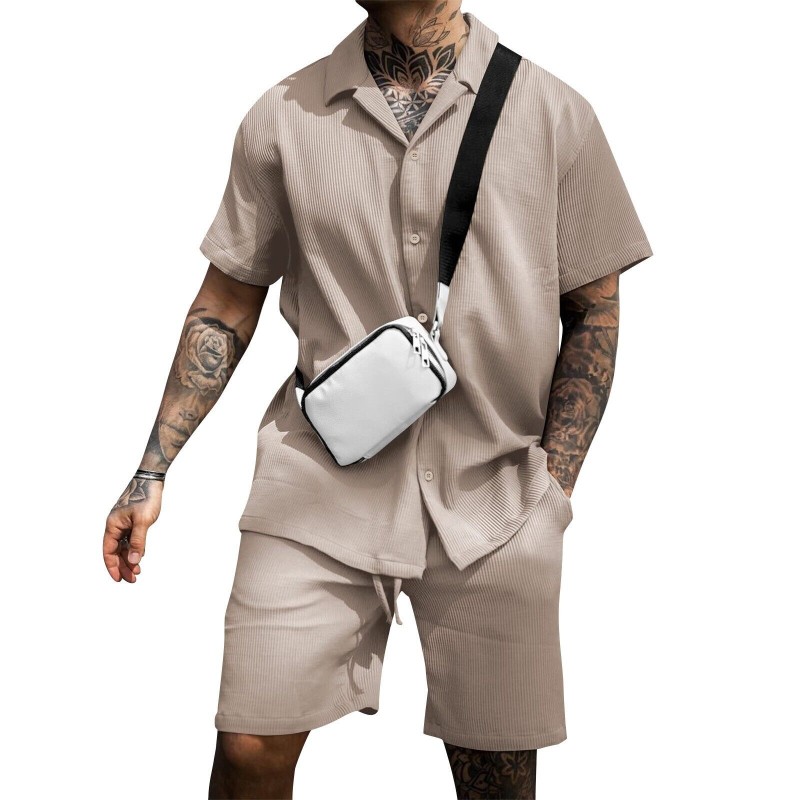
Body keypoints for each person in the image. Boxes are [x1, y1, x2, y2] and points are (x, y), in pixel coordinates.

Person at [103, 1, 653, 797]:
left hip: (496, 499)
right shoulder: (283, 116)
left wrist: (552, 491)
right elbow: (225, 305)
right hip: (315, 485)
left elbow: (593, 311)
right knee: (248, 749)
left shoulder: (556, 114)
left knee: (496, 781)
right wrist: (151, 470)